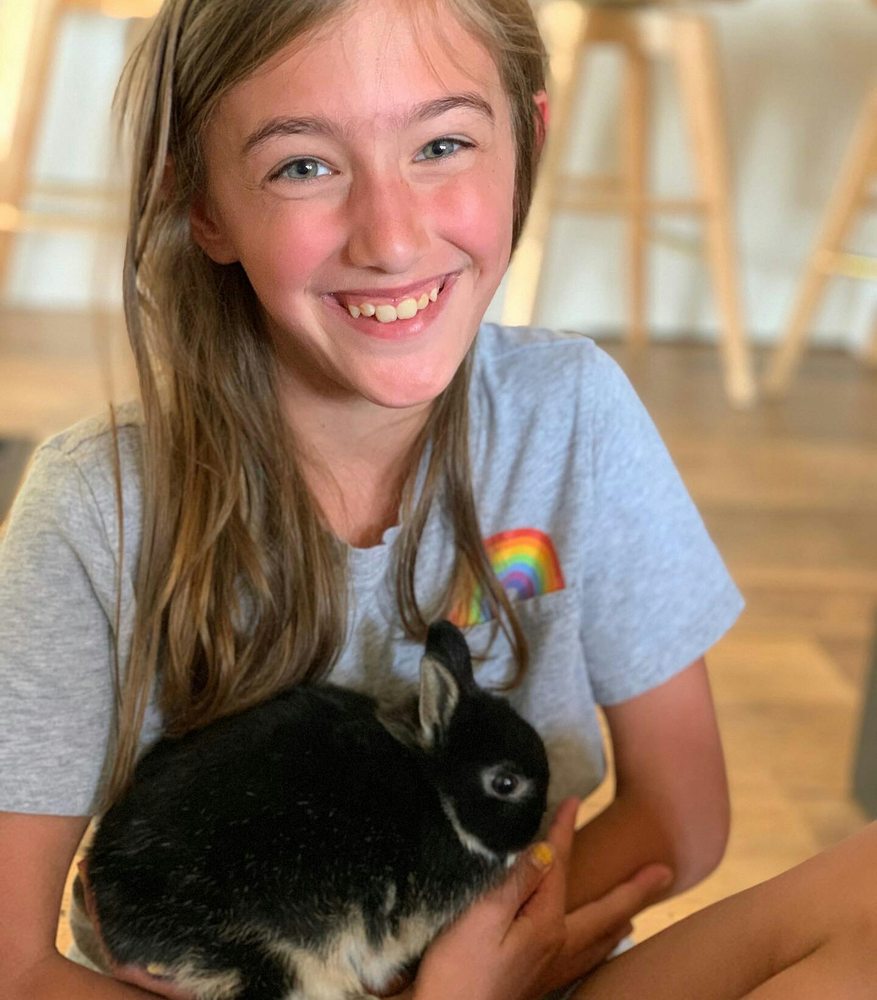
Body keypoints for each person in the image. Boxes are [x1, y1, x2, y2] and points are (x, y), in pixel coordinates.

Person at [0, 0, 875, 997]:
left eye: (442, 145)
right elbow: (16, 966)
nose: (390, 236)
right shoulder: (91, 510)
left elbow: (679, 818)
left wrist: (472, 967)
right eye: (303, 165)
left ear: (527, 145)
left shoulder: (572, 411)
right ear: (201, 203)